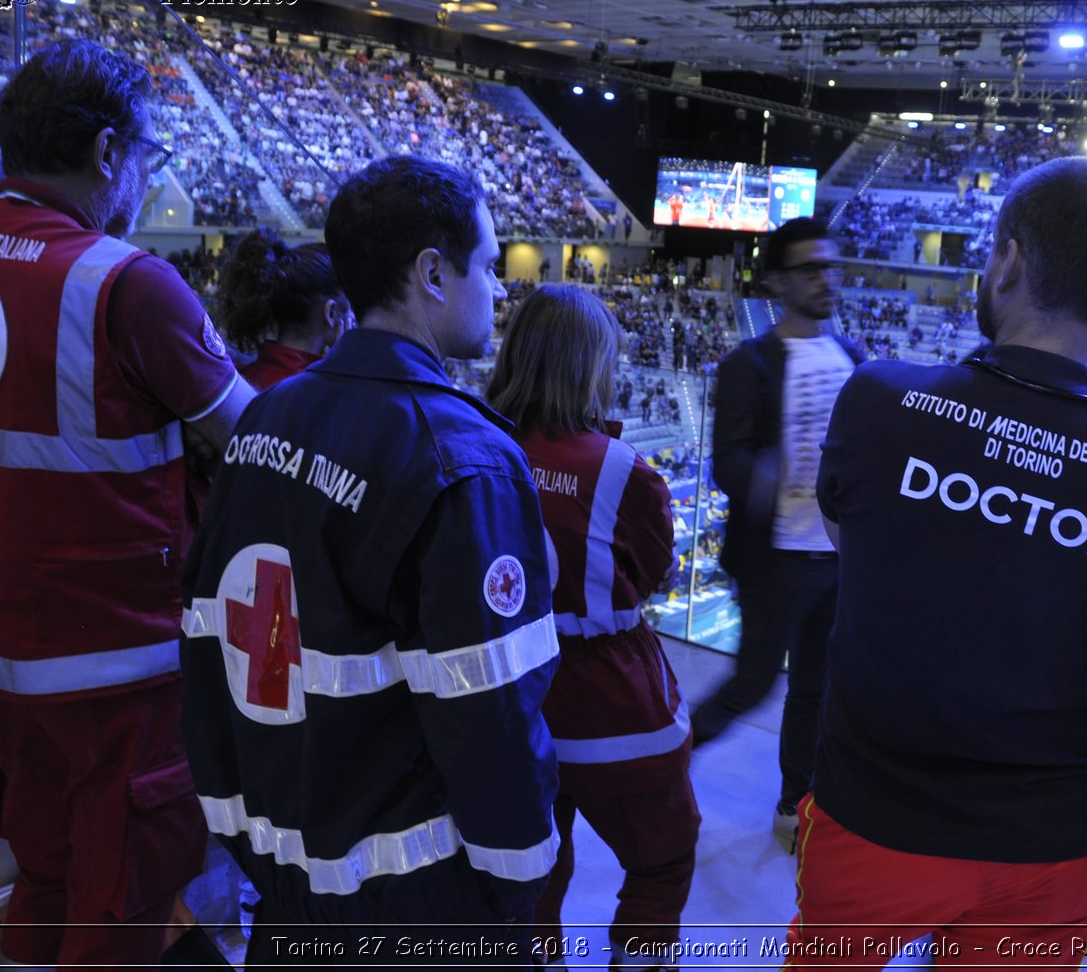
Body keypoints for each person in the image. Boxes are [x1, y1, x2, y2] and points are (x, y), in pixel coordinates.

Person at [787, 157, 1087, 967]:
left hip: (875, 814)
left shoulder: (879, 399)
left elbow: (859, 551)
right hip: (1057, 842)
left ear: (1009, 259)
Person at [179, 156, 559, 965]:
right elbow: (491, 710)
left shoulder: (266, 418)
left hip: (284, 880)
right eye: (489, 267)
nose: (499, 290)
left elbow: (207, 642)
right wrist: (516, 884)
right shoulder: (463, 457)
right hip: (416, 900)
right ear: (431, 273)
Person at [0, 39, 252, 969]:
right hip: (116, 658)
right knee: (119, 896)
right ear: (108, 153)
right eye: (148, 158)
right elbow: (259, 438)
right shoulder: (125, 281)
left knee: (41, 871)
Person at [485, 284, 700, 967]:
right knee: (663, 859)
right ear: (590, 364)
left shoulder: (478, 444)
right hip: (615, 711)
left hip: (511, 703)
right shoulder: (625, 471)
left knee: (535, 874)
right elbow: (655, 569)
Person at [689, 216, 862, 852]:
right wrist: (766, 472)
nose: (827, 279)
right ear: (779, 282)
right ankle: (670, 757)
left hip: (834, 559)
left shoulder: (853, 361)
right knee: (755, 683)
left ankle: (794, 805)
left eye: (831, 266)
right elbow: (727, 461)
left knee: (815, 691)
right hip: (775, 561)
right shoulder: (748, 364)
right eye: (811, 269)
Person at [217, 228, 352, 388]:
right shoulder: (329, 388)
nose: (353, 316)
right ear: (331, 313)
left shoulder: (239, 379)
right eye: (350, 305)